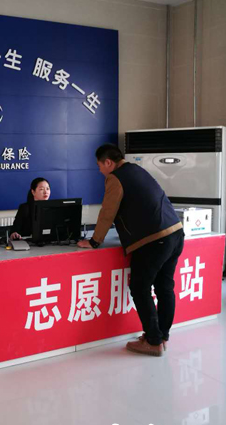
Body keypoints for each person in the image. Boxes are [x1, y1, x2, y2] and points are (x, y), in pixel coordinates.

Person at [78, 143, 184, 357]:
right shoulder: (137, 170)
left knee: (139, 287)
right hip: (175, 233)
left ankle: (153, 341)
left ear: (108, 163)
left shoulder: (115, 177)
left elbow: (108, 211)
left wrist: (95, 241)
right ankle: (161, 336)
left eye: (99, 166)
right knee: (164, 287)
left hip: (154, 240)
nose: (100, 171)